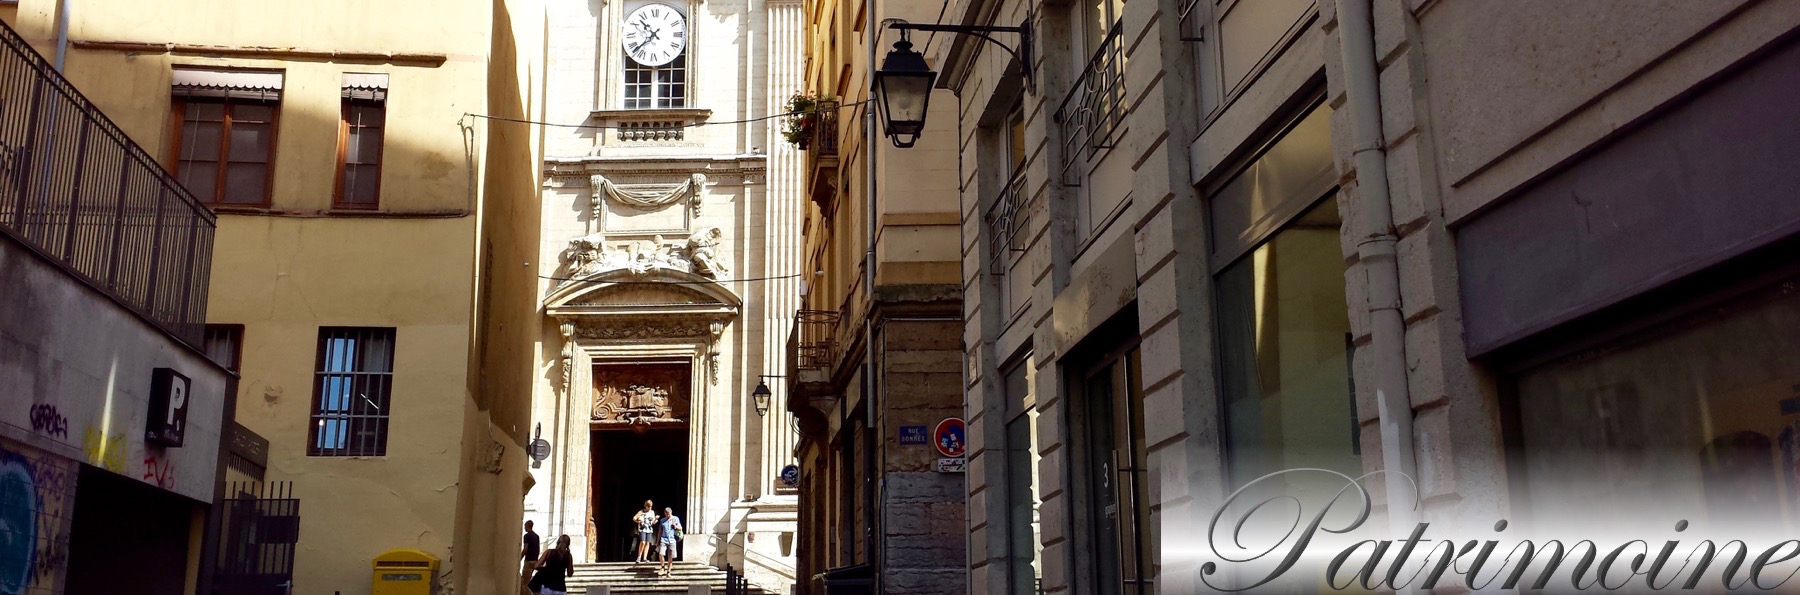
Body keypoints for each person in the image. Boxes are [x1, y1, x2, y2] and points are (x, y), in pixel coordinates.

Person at [657, 507, 683, 576]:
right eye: (666, 514)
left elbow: (680, 528)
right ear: (665, 513)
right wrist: (657, 541)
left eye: (669, 514)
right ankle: (662, 567)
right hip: (663, 539)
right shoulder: (662, 520)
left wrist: (675, 526)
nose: (668, 515)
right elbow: (660, 531)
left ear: (671, 512)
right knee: (661, 553)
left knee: (670, 556)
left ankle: (668, 571)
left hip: (672, 539)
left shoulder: (676, 519)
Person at [520, 520, 541, 594]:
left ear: (527, 526)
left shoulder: (526, 536)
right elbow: (538, 549)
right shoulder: (536, 536)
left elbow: (525, 549)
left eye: (525, 526)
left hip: (528, 561)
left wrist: (519, 558)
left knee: (524, 582)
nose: (524, 527)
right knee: (528, 581)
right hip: (535, 560)